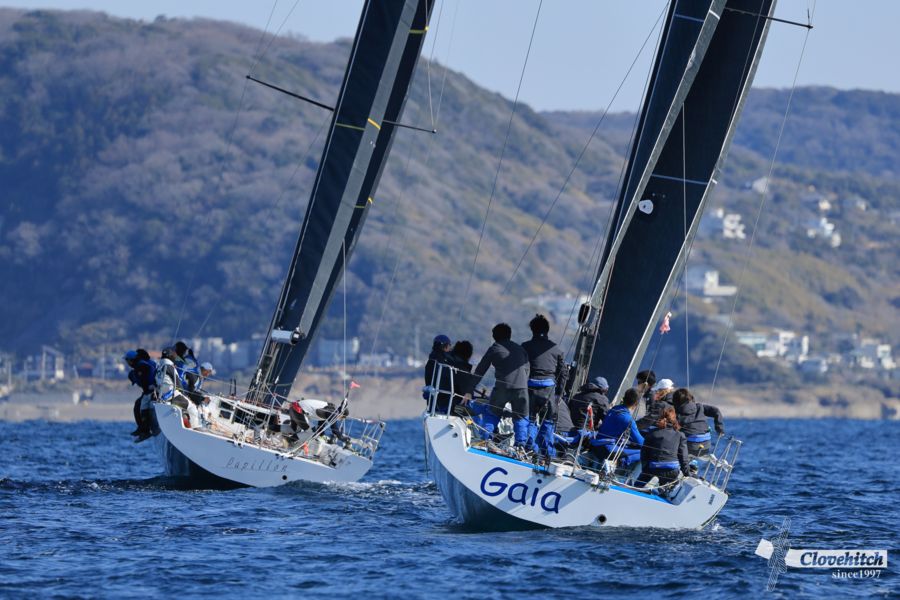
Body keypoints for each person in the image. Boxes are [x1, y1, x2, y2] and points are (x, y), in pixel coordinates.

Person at [468, 323, 530, 449]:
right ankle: (521, 446)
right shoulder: (520, 349)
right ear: (509, 335)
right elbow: (527, 368)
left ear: (495, 336)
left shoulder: (495, 348)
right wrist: (524, 382)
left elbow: (481, 369)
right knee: (521, 417)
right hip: (522, 387)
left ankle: (486, 439)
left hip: (503, 387)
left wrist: (470, 388)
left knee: (492, 413)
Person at [521, 314, 565, 457]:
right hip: (549, 390)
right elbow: (564, 374)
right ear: (547, 330)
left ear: (532, 330)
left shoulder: (525, 347)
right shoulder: (557, 350)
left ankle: (530, 449)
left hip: (530, 388)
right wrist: (559, 394)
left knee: (531, 419)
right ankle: (548, 454)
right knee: (548, 421)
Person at [637, 406, 691, 488]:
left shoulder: (652, 433)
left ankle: (651, 484)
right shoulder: (680, 435)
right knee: (669, 487)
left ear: (660, 418)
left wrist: (645, 470)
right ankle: (661, 487)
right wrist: (687, 474)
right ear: (674, 419)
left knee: (637, 485)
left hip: (652, 470)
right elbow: (684, 457)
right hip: (672, 472)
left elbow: (644, 454)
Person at [590, 388, 644, 464]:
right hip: (607, 450)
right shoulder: (628, 419)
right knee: (645, 452)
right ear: (636, 403)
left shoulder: (614, 409)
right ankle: (618, 463)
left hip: (596, 445)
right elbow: (640, 442)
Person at [672, 388, 725, 457]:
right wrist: (720, 429)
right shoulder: (699, 407)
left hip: (689, 448)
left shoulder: (676, 413)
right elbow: (716, 411)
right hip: (706, 447)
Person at [124, 349, 157, 441]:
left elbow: (144, 380)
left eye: (127, 360)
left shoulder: (141, 366)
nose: (127, 363)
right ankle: (142, 429)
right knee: (138, 404)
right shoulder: (146, 363)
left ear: (131, 360)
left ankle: (145, 430)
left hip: (151, 391)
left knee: (141, 406)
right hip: (151, 390)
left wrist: (147, 390)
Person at [423, 334, 454, 411]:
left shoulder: (432, 359)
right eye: (449, 345)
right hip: (443, 398)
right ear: (444, 346)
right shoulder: (442, 360)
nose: (450, 348)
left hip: (433, 400)